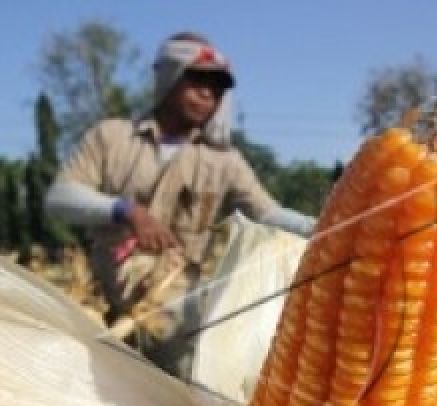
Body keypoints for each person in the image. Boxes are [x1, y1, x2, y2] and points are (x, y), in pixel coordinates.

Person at [46, 32, 316, 376]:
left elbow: (266, 212)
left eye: (217, 88)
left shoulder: (224, 160)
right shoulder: (111, 137)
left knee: (189, 366)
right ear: (169, 79)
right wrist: (127, 211)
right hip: (103, 295)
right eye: (198, 81)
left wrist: (319, 226)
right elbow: (61, 197)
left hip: (176, 305)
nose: (208, 94)